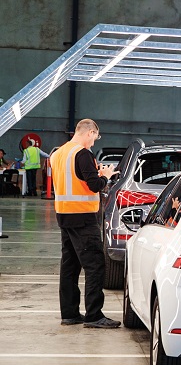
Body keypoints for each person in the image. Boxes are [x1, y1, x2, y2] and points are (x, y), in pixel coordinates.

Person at [50, 119, 121, 328]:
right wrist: (106, 177)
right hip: (83, 217)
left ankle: (70, 313)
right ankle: (94, 316)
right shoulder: (82, 154)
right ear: (89, 132)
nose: (94, 142)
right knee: (95, 265)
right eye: (95, 137)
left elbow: (74, 179)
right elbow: (94, 186)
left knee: (70, 266)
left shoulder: (58, 154)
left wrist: (95, 175)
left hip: (64, 215)